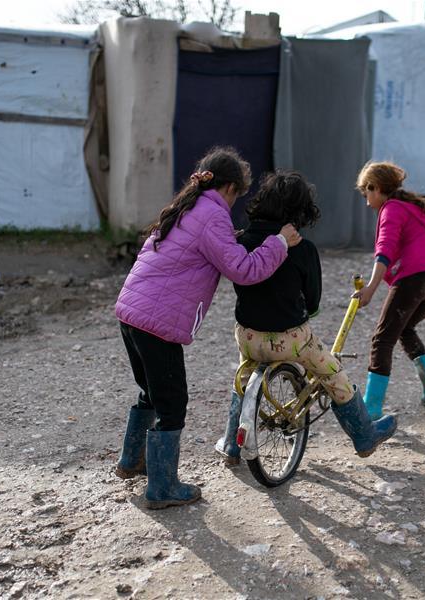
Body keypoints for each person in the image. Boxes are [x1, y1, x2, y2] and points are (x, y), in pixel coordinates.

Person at [114, 147, 301, 509]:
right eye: (237, 195)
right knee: (172, 403)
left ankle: (132, 460)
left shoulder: (186, 207)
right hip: (158, 322)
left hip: (131, 313)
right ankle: (162, 488)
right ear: (229, 188)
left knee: (151, 393)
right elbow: (244, 270)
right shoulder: (212, 215)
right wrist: (279, 243)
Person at [215, 171, 397, 464]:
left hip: (249, 337)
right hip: (291, 339)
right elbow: (312, 302)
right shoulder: (303, 249)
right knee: (333, 374)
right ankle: (364, 435)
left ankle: (232, 446)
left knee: (242, 379)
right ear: (302, 211)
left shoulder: (243, 240)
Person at [353, 161, 425, 419]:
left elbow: (384, 251)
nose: (367, 202)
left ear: (376, 187)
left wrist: (371, 289)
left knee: (382, 339)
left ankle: (371, 407)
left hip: (415, 278)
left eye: (366, 193)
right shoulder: (416, 209)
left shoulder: (392, 209)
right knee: (404, 328)